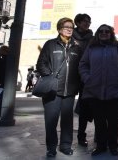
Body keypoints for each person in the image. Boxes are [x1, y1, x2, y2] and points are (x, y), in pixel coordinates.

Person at [79, 24, 118, 156]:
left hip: (113, 90)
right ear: (97, 33)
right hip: (94, 90)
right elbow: (83, 64)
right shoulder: (91, 47)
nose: (104, 33)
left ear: (111, 33)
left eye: (107, 31)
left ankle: (113, 146)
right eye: (101, 31)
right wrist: (87, 78)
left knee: (113, 120)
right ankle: (101, 146)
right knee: (99, 121)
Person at [36, 18, 82, 157]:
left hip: (70, 91)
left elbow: (81, 67)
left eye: (71, 27)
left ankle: (66, 146)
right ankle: (51, 148)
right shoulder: (51, 44)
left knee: (67, 121)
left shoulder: (77, 46)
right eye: (66, 26)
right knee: (51, 121)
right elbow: (41, 64)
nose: (69, 29)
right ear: (59, 28)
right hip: (52, 90)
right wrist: (50, 77)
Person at [72, 13, 94, 147]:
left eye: (89, 21)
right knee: (65, 107)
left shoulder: (93, 39)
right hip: (71, 76)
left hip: (86, 77)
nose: (87, 23)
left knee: (85, 107)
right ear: (78, 23)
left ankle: (81, 135)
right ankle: (66, 136)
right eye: (84, 21)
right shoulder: (69, 37)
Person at [0, 45, 8, 117]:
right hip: (1, 81)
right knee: (0, 98)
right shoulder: (5, 59)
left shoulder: (0, 58)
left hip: (0, 81)